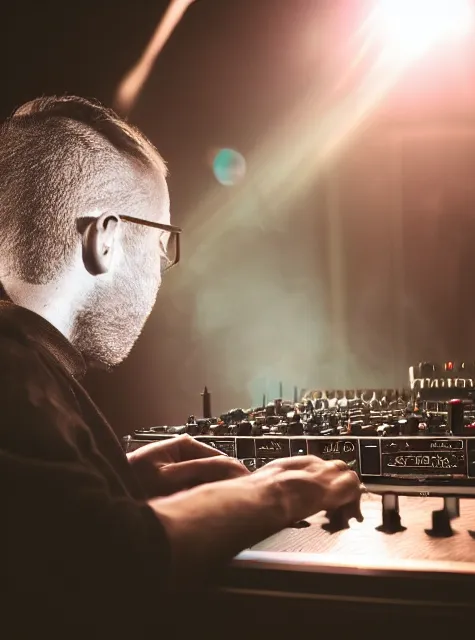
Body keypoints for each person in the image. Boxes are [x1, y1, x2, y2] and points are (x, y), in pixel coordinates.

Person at [0, 96, 362, 633]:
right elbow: (106, 563)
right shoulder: (14, 368)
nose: (161, 270)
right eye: (161, 241)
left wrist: (115, 480)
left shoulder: (23, 361)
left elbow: (34, 534)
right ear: (106, 238)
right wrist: (279, 490)